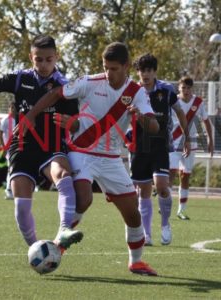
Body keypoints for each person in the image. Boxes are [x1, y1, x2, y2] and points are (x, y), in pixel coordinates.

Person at [21, 42, 160, 276]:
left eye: (114, 68)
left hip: (112, 159)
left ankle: (136, 262)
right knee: (83, 199)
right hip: (81, 151)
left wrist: (141, 118)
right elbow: (56, 93)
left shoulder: (136, 92)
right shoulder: (89, 82)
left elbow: (154, 126)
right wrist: (31, 116)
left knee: (133, 215)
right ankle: (58, 243)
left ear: (126, 66)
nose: (109, 73)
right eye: (106, 67)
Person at [0, 35, 83, 251]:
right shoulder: (19, 78)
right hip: (23, 146)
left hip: (51, 145)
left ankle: (64, 229)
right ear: (31, 57)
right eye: (39, 59)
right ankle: (37, 249)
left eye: (49, 59)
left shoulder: (65, 86)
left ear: (57, 57)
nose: (44, 65)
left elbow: (76, 125)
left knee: (63, 175)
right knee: (21, 207)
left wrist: (70, 124)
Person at [129, 53, 190, 246]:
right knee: (143, 191)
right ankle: (146, 234)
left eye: (148, 70)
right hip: (139, 148)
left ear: (155, 71)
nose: (144, 74)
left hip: (161, 145)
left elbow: (179, 111)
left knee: (162, 187)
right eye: (141, 70)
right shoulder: (132, 91)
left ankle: (165, 224)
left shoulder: (167, 90)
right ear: (137, 72)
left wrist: (187, 137)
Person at [169, 76, 214, 220]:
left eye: (188, 88)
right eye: (183, 88)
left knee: (185, 176)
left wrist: (210, 139)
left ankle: (181, 210)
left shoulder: (198, 102)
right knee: (171, 172)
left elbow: (206, 121)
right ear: (179, 88)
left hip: (191, 143)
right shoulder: (173, 101)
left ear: (192, 89)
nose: (186, 91)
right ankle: (166, 204)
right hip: (174, 142)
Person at [0, 101, 16, 199]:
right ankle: (8, 190)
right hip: (9, 148)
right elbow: (1, 135)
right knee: (11, 168)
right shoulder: (5, 120)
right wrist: (4, 148)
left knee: (16, 168)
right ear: (9, 108)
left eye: (15, 107)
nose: (13, 109)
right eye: (12, 107)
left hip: (18, 148)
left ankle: (14, 189)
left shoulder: (19, 119)